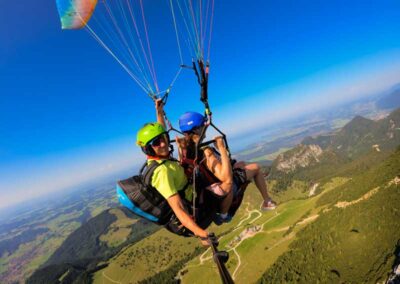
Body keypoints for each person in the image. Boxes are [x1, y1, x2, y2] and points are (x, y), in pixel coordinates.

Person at [135, 100, 214, 245]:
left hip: (192, 193)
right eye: (156, 143)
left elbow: (161, 130)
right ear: (148, 149)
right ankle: (224, 213)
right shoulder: (161, 172)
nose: (164, 143)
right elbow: (177, 207)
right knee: (225, 186)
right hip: (194, 206)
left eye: (164, 138)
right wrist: (200, 233)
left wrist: (159, 111)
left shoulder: (160, 159)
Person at [177, 111, 277, 223]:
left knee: (242, 164)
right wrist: (221, 148)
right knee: (256, 167)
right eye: (202, 125)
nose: (205, 127)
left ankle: (254, 178)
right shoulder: (205, 152)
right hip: (221, 193)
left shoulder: (185, 149)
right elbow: (226, 178)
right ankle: (266, 201)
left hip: (207, 189)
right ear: (196, 129)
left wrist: (159, 111)